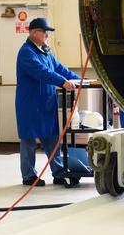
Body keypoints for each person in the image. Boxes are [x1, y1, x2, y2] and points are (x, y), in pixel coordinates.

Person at [16, 16, 80, 187]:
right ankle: (29, 176)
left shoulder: (45, 51)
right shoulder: (26, 53)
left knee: (52, 138)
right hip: (30, 104)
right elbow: (42, 72)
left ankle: (58, 172)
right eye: (45, 32)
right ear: (35, 33)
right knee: (29, 140)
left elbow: (59, 68)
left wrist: (81, 81)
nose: (47, 36)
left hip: (46, 102)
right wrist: (62, 82)